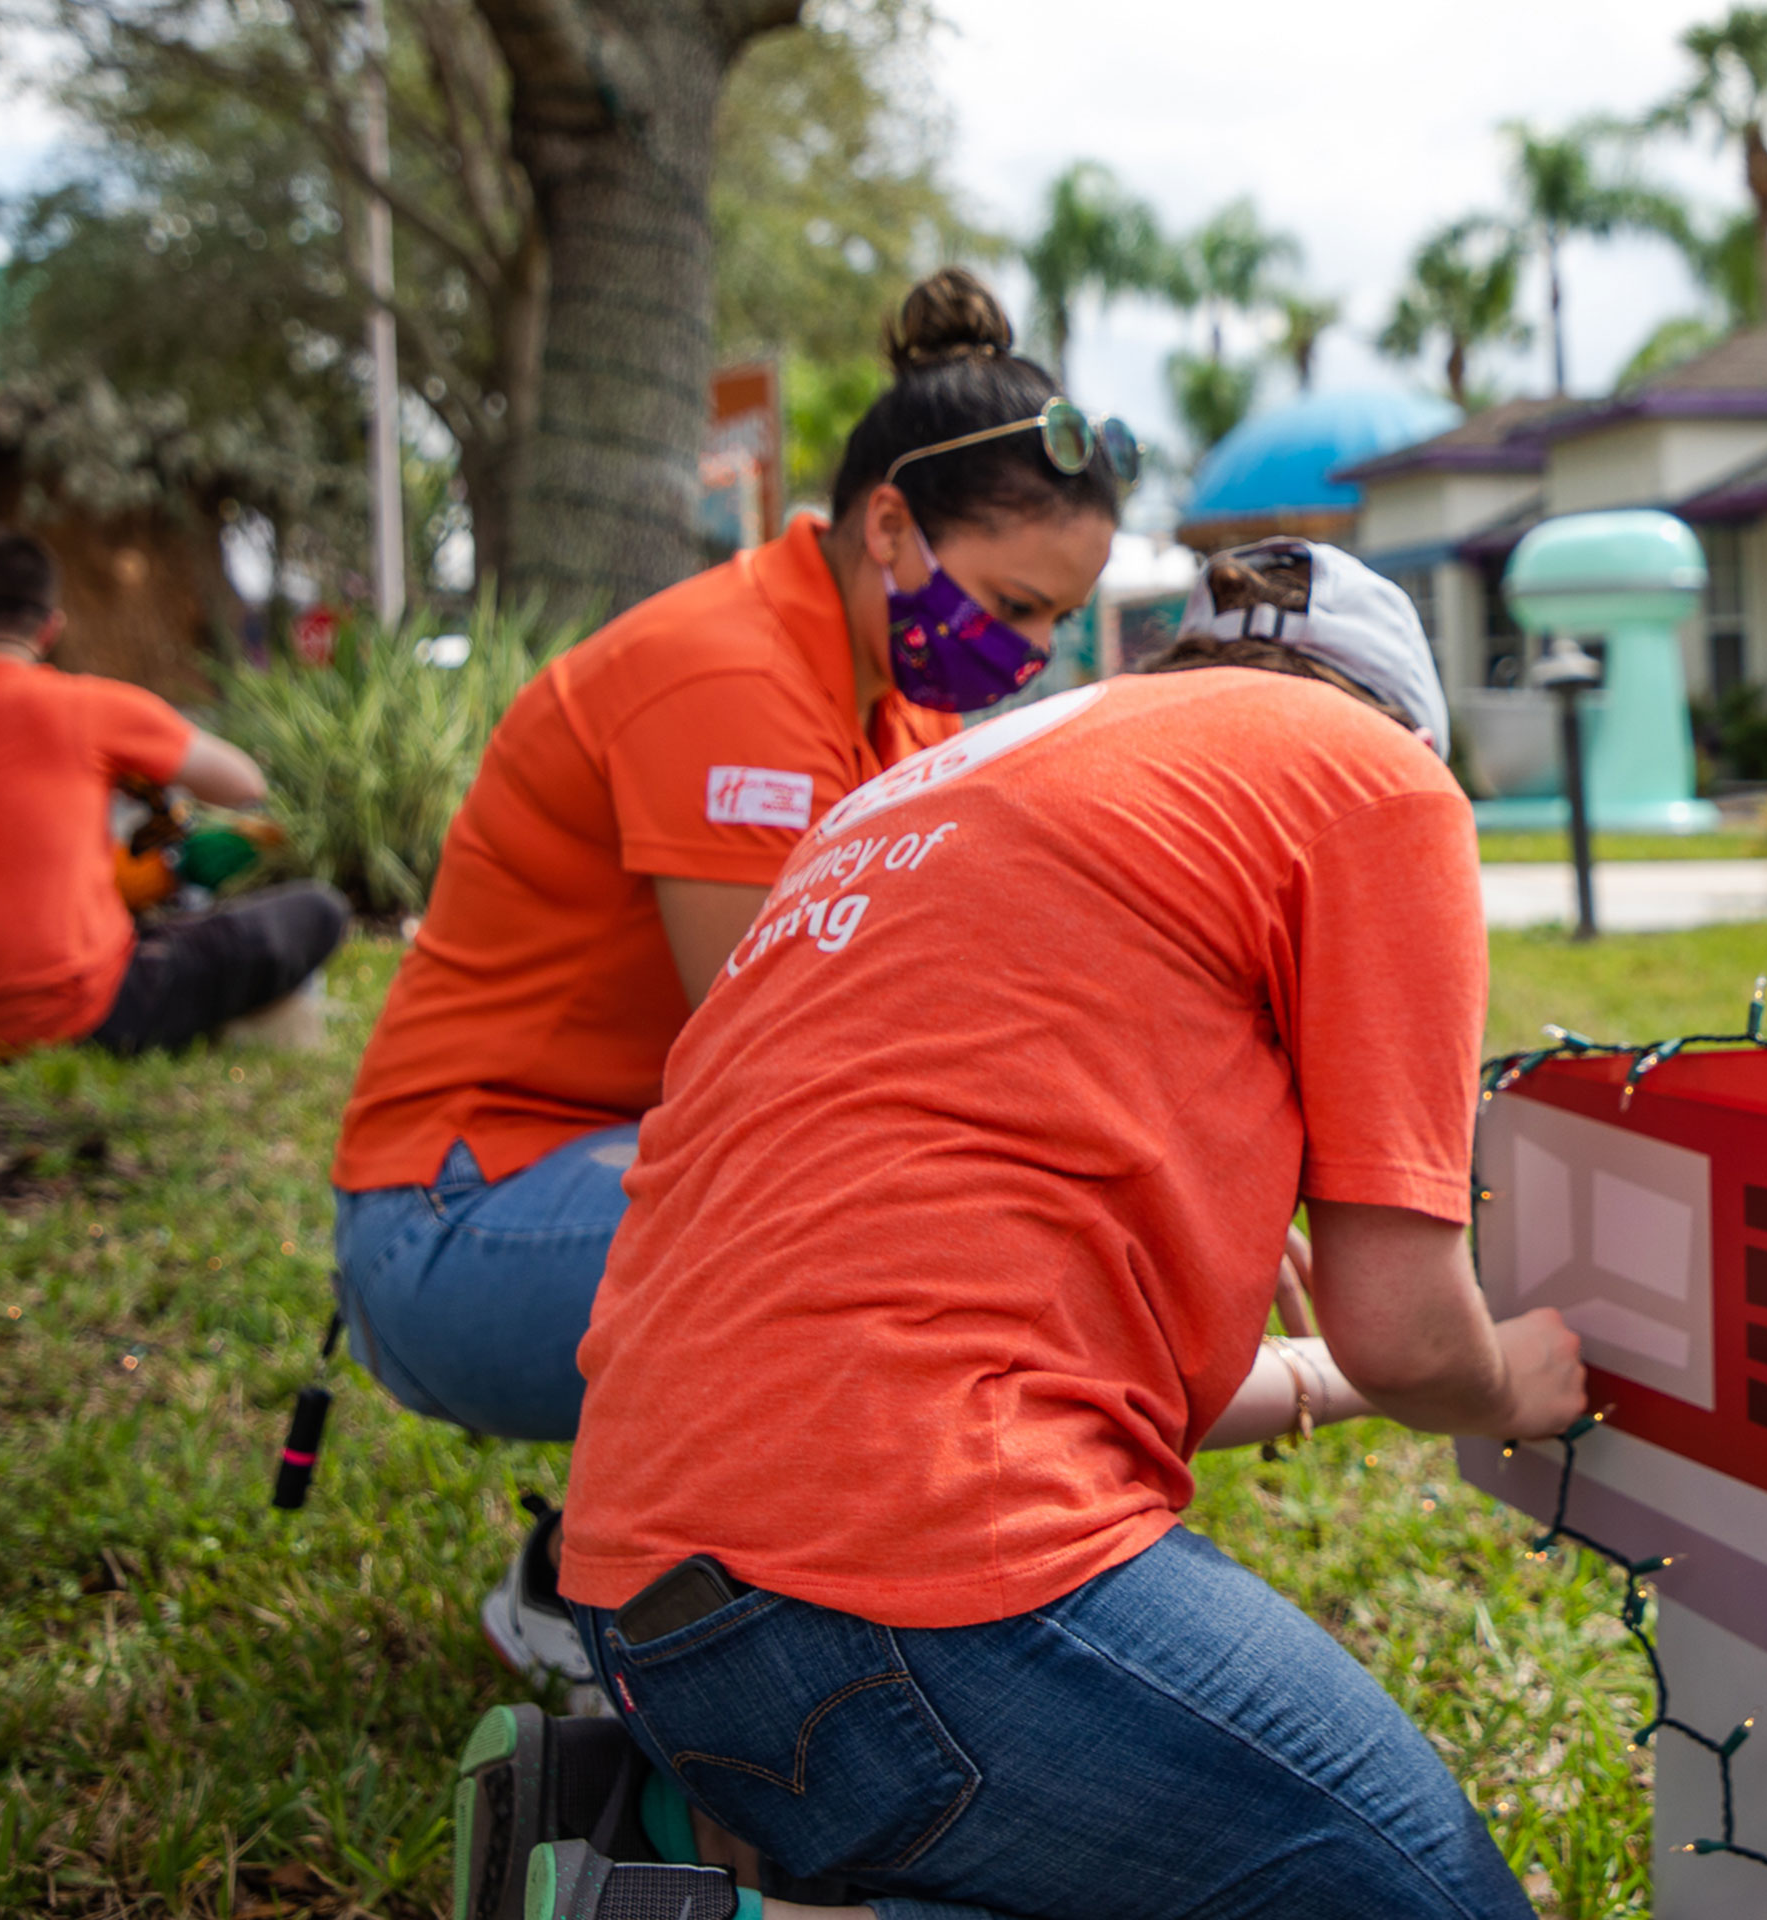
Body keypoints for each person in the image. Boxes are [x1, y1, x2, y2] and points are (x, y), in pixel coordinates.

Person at [472, 537, 1586, 1920]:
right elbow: (1410, 1329)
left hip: (641, 1607)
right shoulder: (1379, 782)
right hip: (894, 1610)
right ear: (1404, 718)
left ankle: (694, 1874)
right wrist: (1503, 1381)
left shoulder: (940, 787)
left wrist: (1319, 1378)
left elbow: (944, 1333)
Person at [332, 268, 1170, 1688]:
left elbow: (980, 994)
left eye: (1052, 626)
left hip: (602, 1186)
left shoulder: (884, 707)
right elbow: (787, 1062)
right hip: (452, 1229)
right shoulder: (724, 679)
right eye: (1017, 608)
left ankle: (740, 1578)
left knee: (949, 1200)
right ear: (891, 528)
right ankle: (631, 1598)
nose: (1027, 659)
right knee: (884, 1219)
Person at [0, 528, 347, 1056]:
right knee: (318, 910)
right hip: (86, 1015)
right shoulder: (86, 706)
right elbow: (244, 784)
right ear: (49, 628)